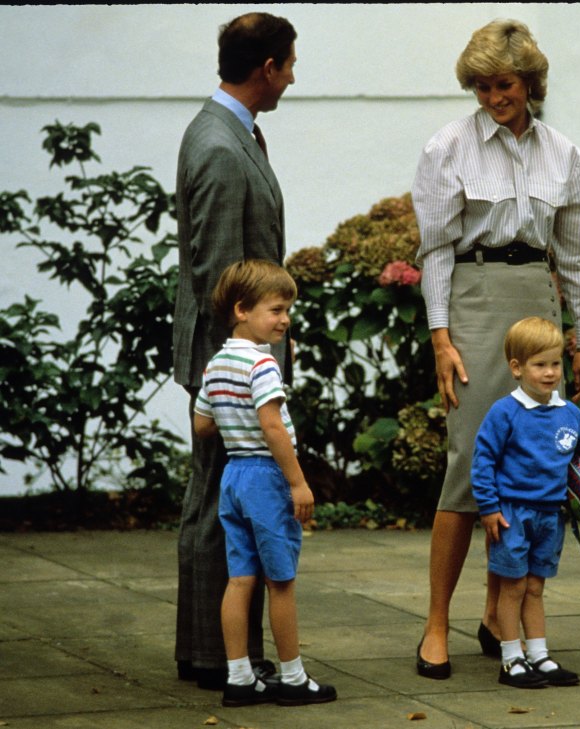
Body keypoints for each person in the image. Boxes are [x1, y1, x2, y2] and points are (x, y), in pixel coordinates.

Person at [411, 18, 580, 679]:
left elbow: (576, 254)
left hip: (535, 295)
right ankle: (436, 623)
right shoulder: (448, 147)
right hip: (473, 295)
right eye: (485, 86)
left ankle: (499, 616)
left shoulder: (564, 154)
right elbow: (435, 247)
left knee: (532, 460)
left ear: (531, 83)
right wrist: (440, 336)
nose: (496, 97)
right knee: (469, 461)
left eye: (507, 85)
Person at [172, 11, 297, 689]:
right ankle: (218, 656)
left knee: (219, 500)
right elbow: (221, 278)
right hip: (230, 360)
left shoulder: (224, 130)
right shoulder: (221, 146)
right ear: (267, 68)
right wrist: (236, 374)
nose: (292, 77)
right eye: (289, 64)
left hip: (231, 358)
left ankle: (216, 652)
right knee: (224, 504)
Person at [193, 259, 336, 707]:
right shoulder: (262, 363)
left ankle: (239, 678)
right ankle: (293, 678)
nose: (285, 318)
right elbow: (272, 425)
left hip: (233, 476)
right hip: (267, 477)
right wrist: (298, 483)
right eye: (275, 310)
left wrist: (231, 417)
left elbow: (201, 425)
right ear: (242, 309)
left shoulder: (216, 364)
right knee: (281, 581)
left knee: (240, 580)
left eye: (286, 309)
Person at [472, 317, 580, 688]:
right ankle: (512, 659)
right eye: (539, 365)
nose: (549, 372)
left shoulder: (570, 413)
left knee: (536, 588)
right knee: (512, 587)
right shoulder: (504, 413)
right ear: (517, 367)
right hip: (511, 514)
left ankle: (539, 655)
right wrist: (489, 508)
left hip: (550, 515)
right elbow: (483, 462)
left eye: (555, 363)